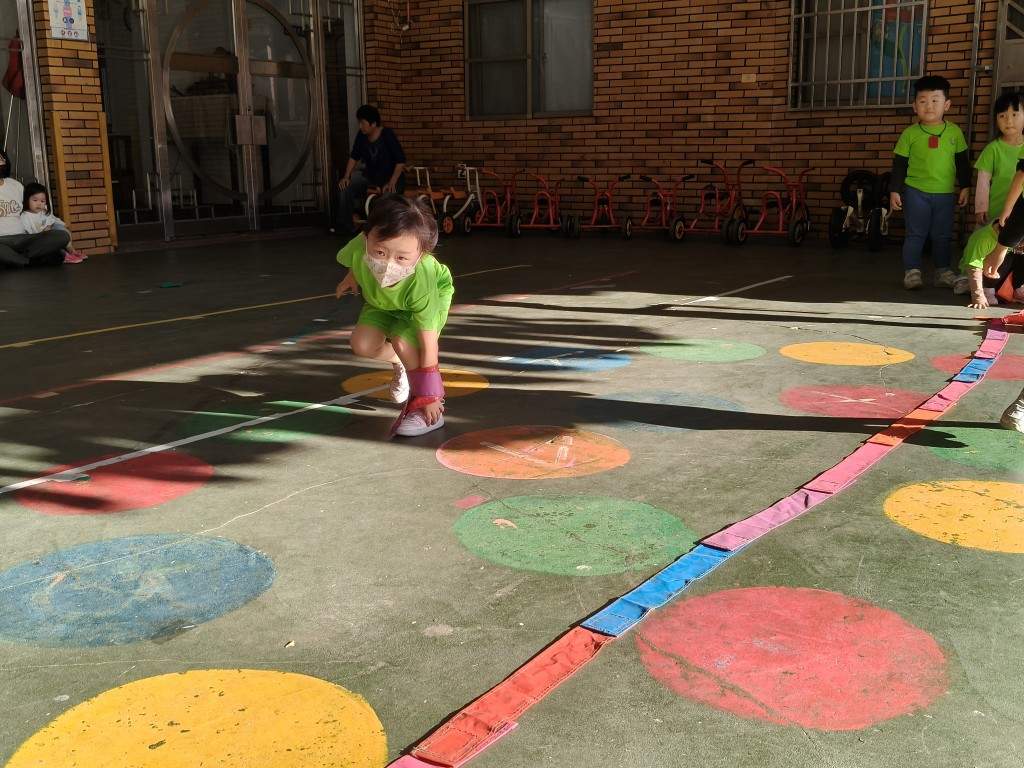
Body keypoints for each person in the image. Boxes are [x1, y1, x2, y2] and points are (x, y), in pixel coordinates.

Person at [334, 195, 454, 437]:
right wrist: (352, 275)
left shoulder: (423, 281)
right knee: (362, 344)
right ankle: (402, 361)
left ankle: (428, 410)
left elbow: (429, 345)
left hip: (423, 301)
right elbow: (353, 255)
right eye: (379, 252)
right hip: (383, 303)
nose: (388, 264)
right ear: (366, 238)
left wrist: (431, 395)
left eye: (401, 258)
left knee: (404, 341)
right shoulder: (361, 244)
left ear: (421, 255)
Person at [889, 75, 972, 291]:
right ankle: (912, 272)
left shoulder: (954, 132)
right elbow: (899, 165)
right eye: (923, 101)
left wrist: (965, 186)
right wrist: (894, 190)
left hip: (945, 194)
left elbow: (962, 163)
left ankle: (942, 273)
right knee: (915, 234)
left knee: (942, 235)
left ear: (947, 105)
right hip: (916, 192)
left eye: (935, 100)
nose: (929, 106)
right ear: (915, 106)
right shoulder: (910, 134)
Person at [332, 104, 406, 238]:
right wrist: (346, 177)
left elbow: (400, 162)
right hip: (371, 178)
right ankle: (344, 227)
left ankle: (379, 232)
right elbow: (354, 157)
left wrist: (391, 183)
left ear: (373, 123)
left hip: (391, 180)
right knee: (346, 188)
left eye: (362, 123)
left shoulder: (387, 135)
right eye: (359, 122)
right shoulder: (361, 136)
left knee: (384, 199)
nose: (360, 126)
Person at [0, 148, 70, 268]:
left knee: (62, 236)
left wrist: (59, 223)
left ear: (5, 162)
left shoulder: (16, 186)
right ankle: (30, 261)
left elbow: (35, 209)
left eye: (0, 159)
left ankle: (15, 259)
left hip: (23, 238)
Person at [955, 220, 1021, 308]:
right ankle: (987, 290)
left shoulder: (1006, 235)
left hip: (997, 274)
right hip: (976, 276)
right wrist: (978, 296)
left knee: (1018, 255)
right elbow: (974, 267)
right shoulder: (983, 238)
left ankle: (1018, 290)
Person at [21, 182, 86, 264]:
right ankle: (64, 255)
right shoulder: (25, 216)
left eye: (42, 201)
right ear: (27, 199)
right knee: (54, 237)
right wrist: (44, 232)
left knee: (60, 227)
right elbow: (29, 237)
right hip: (39, 242)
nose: (39, 204)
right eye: (35, 200)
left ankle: (71, 250)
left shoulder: (44, 212)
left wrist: (64, 227)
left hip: (50, 238)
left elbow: (54, 221)